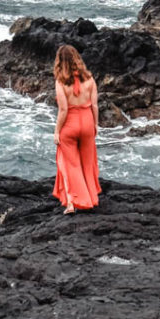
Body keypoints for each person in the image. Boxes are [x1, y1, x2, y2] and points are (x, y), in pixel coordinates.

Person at [52, 44, 101, 213]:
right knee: (87, 163)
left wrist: (57, 131)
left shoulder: (60, 82)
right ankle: (91, 198)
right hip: (87, 122)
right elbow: (94, 105)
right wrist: (95, 124)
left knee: (69, 164)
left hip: (70, 125)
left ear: (60, 62)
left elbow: (63, 109)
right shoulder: (90, 80)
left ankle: (73, 202)